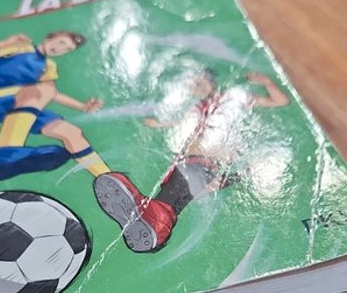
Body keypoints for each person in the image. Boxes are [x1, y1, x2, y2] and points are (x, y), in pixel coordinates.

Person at [93, 68, 290, 253]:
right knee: (179, 195)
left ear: (213, 83)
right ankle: (156, 225)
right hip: (196, 165)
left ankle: (154, 219)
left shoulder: (231, 100)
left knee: (177, 187)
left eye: (200, 83)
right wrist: (160, 124)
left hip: (203, 162)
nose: (196, 88)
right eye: (194, 85)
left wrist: (266, 81)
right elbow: (183, 124)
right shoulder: (198, 108)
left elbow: (280, 101)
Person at [0, 30, 111, 182]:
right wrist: (8, 41)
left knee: (71, 132)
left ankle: (108, 178)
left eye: (67, 49)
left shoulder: (49, 66)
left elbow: (52, 93)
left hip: (21, 105)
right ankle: (3, 155)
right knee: (40, 91)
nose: (60, 49)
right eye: (61, 42)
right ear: (49, 37)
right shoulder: (22, 48)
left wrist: (82, 107)